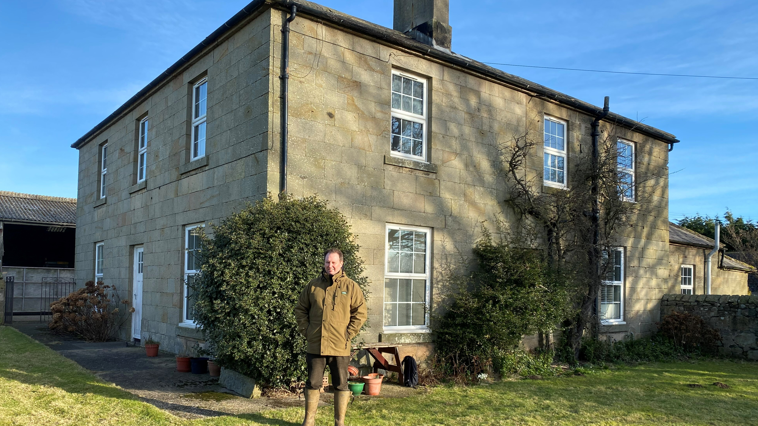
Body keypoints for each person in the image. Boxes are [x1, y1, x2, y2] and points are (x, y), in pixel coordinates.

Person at [295, 248, 367, 426]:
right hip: (316, 344)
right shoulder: (313, 286)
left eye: (334, 262)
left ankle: (339, 422)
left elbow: (361, 312)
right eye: (328, 262)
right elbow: (300, 309)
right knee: (312, 383)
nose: (330, 266)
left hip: (340, 346)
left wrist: (348, 333)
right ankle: (309, 421)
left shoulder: (351, 286)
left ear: (341, 264)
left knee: (341, 384)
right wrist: (307, 331)